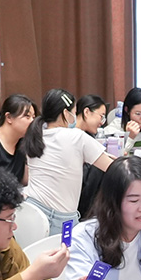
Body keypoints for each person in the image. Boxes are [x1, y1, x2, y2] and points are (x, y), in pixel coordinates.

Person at [18, 89, 112, 236]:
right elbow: (112, 167)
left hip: (30, 211)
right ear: (65, 113)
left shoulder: (35, 136)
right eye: (74, 112)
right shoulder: (77, 137)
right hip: (60, 220)